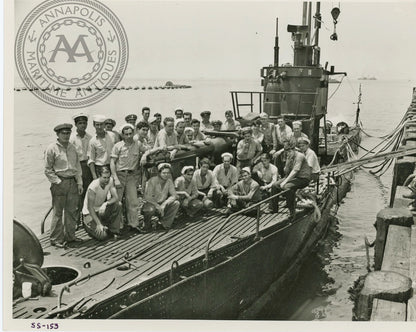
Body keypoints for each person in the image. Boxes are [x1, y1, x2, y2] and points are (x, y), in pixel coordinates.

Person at [44, 123, 83, 247]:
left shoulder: (73, 148)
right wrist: (58, 182)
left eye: (68, 133)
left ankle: (70, 236)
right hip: (59, 182)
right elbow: (47, 170)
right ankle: (55, 239)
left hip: (72, 181)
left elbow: (77, 166)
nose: (66, 135)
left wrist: (80, 182)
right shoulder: (51, 148)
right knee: (58, 212)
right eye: (63, 133)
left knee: (72, 211)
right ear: (58, 134)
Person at [110, 123, 148, 231]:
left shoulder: (138, 144)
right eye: (126, 134)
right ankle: (117, 227)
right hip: (120, 175)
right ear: (122, 135)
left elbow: (149, 150)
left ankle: (133, 224)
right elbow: (112, 162)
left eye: (131, 133)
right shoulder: (118, 146)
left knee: (133, 201)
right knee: (117, 202)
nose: (129, 136)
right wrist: (115, 178)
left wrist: (144, 155)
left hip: (131, 176)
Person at [269, 138, 312, 218]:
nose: (287, 153)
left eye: (289, 151)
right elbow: (286, 171)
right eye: (286, 151)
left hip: (303, 178)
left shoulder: (300, 156)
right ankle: (273, 208)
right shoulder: (289, 156)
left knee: (287, 187)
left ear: (294, 149)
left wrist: (284, 182)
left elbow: (295, 171)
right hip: (293, 178)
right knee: (274, 185)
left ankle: (292, 210)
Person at [82, 167, 121, 240]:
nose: (106, 180)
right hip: (89, 214)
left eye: (108, 177)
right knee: (102, 236)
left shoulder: (110, 181)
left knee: (118, 204)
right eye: (104, 177)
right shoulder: (93, 186)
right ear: (99, 176)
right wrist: (98, 224)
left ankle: (114, 230)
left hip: (100, 210)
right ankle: (89, 225)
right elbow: (90, 208)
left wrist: (105, 204)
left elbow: (116, 198)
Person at [141, 163, 180, 231]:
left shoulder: (169, 181)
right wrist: (158, 206)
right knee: (150, 209)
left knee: (176, 203)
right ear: (159, 173)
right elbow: (147, 197)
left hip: (162, 203)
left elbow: (174, 195)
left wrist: (164, 204)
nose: (166, 175)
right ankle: (146, 223)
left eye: (168, 173)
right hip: (151, 204)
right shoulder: (152, 180)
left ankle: (164, 224)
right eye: (164, 173)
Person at [70, 113, 92, 223]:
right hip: (77, 167)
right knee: (77, 194)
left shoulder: (90, 137)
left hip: (87, 167)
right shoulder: (72, 138)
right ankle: (76, 220)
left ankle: (86, 218)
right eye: (80, 123)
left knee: (88, 192)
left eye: (84, 123)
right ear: (76, 125)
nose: (82, 125)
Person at [88, 114, 117, 179]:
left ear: (104, 125)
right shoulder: (92, 141)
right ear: (94, 125)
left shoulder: (112, 136)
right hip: (99, 168)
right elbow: (91, 160)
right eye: (97, 125)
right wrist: (94, 176)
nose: (99, 127)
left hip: (112, 167)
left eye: (101, 124)